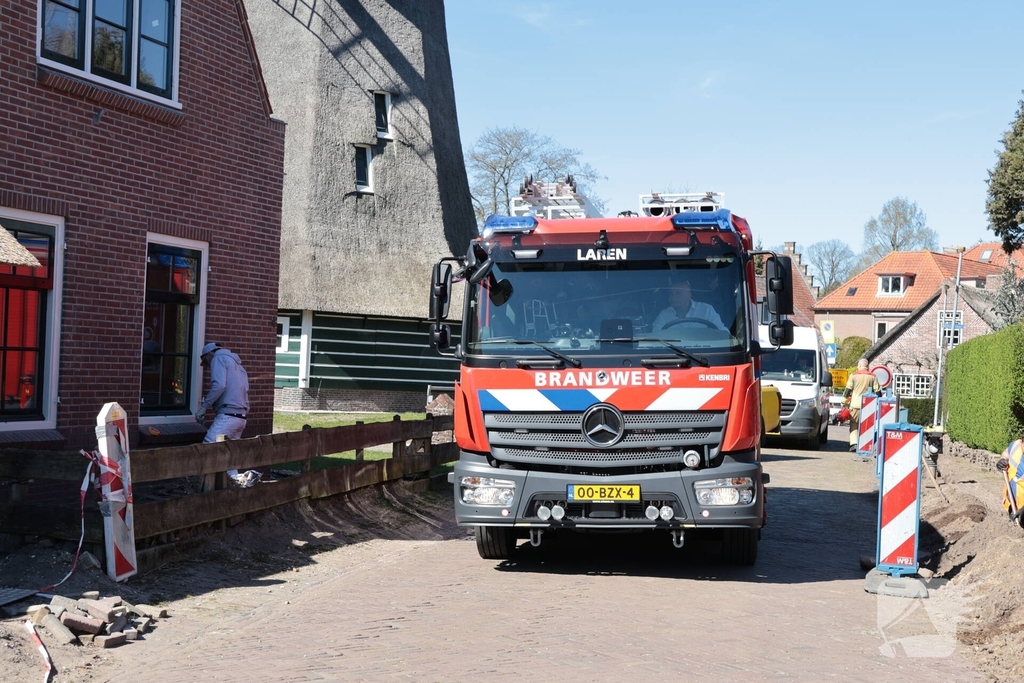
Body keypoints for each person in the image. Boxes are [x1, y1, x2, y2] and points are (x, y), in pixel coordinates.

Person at [195, 342, 257, 486]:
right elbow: (244, 390)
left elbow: (219, 385)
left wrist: (203, 408)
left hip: (228, 416)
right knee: (230, 455)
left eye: (207, 362)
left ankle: (202, 488)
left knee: (208, 447)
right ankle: (239, 483)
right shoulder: (238, 366)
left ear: (209, 354)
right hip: (241, 417)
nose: (209, 366)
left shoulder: (218, 359)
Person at [651, 279, 726, 331]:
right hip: (672, 353)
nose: (673, 297)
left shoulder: (706, 310)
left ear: (689, 295)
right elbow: (656, 338)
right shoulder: (664, 315)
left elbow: (723, 333)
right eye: (671, 293)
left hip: (705, 352)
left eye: (678, 293)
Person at [844, 357, 880, 452]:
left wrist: (843, 401)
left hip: (855, 405)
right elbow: (878, 391)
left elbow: (848, 390)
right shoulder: (873, 376)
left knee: (854, 424)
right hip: (868, 405)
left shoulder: (853, 375)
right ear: (867, 366)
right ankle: (865, 444)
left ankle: (854, 444)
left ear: (859, 366)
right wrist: (879, 402)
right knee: (866, 425)